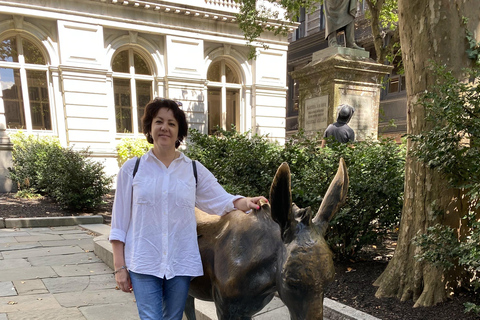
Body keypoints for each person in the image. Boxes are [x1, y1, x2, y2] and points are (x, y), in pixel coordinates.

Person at [109, 98, 267, 320]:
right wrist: (120, 268)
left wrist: (246, 202)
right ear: (150, 127)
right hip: (143, 261)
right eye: (159, 121)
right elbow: (119, 223)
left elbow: (220, 199)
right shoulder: (132, 170)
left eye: (172, 123)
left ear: (179, 131)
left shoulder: (193, 170)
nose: (165, 128)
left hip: (179, 262)